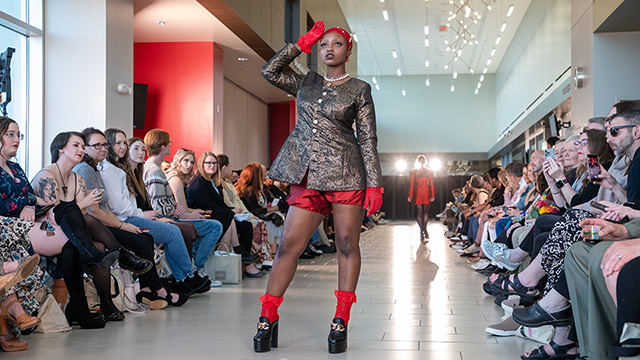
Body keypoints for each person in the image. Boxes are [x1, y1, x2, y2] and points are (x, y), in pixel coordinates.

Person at [254, 21, 383, 354]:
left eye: (336, 44)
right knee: (287, 246)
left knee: (344, 243)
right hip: (308, 175)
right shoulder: (305, 82)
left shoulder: (359, 89)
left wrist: (374, 184)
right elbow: (269, 71)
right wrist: (300, 43)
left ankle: (340, 319)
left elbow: (367, 138)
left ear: (348, 51)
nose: (328, 48)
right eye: (323, 44)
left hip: (346, 173)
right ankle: (268, 315)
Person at [102, 128, 190, 306]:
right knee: (173, 231)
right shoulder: (113, 171)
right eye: (119, 144)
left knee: (183, 229)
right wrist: (146, 215)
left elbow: (135, 205)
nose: (123, 147)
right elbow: (122, 207)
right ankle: (186, 277)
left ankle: (153, 287)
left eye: (123, 143)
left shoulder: (131, 172)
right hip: (123, 219)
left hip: (129, 217)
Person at [126, 137, 215, 293]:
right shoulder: (154, 172)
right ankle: (189, 274)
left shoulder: (141, 171)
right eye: (136, 149)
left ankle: (186, 277)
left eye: (142, 149)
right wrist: (172, 213)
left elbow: (157, 203)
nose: (141, 152)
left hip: (149, 216)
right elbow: (154, 205)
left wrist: (175, 209)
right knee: (180, 230)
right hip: (139, 218)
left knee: (209, 224)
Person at [185, 152, 263, 277]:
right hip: (202, 215)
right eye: (208, 163)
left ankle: (242, 259)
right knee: (229, 218)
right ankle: (237, 254)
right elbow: (206, 204)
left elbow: (218, 204)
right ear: (201, 165)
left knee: (245, 225)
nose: (212, 166)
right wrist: (230, 211)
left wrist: (231, 209)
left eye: (214, 163)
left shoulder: (213, 182)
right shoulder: (199, 182)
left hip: (213, 212)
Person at [407, 155, 436, 241]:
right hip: (426, 192)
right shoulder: (429, 171)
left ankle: (421, 230)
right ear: (424, 162)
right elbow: (431, 184)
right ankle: (425, 229)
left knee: (419, 212)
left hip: (418, 192)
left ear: (417, 161)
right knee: (426, 213)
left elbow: (411, 184)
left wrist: (410, 195)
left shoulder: (413, 171)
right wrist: (432, 195)